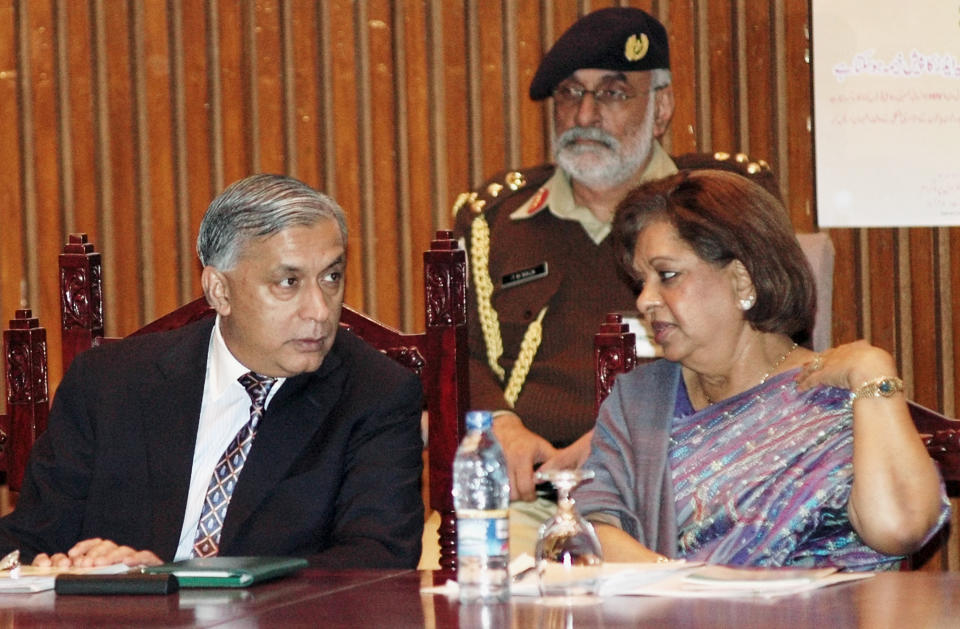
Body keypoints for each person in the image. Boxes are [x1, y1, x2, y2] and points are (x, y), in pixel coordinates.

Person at [0, 174, 424, 569]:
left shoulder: (376, 394)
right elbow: (33, 537)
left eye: (331, 277)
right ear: (219, 290)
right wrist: (71, 568)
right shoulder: (109, 383)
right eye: (288, 282)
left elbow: (377, 561)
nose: (319, 310)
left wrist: (174, 580)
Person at [575, 169, 950, 569]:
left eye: (667, 275)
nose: (646, 299)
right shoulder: (639, 401)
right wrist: (687, 591)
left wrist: (875, 371)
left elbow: (899, 529)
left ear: (742, 280)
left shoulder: (836, 397)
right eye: (641, 282)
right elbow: (590, 530)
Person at [449, 7, 678, 557]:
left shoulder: (711, 209)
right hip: (535, 489)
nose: (586, 114)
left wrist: (617, 441)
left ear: (661, 106)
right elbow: (455, 350)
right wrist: (498, 425)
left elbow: (759, 355)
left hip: (673, 473)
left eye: (614, 94)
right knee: (483, 582)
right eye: (570, 94)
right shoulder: (492, 219)